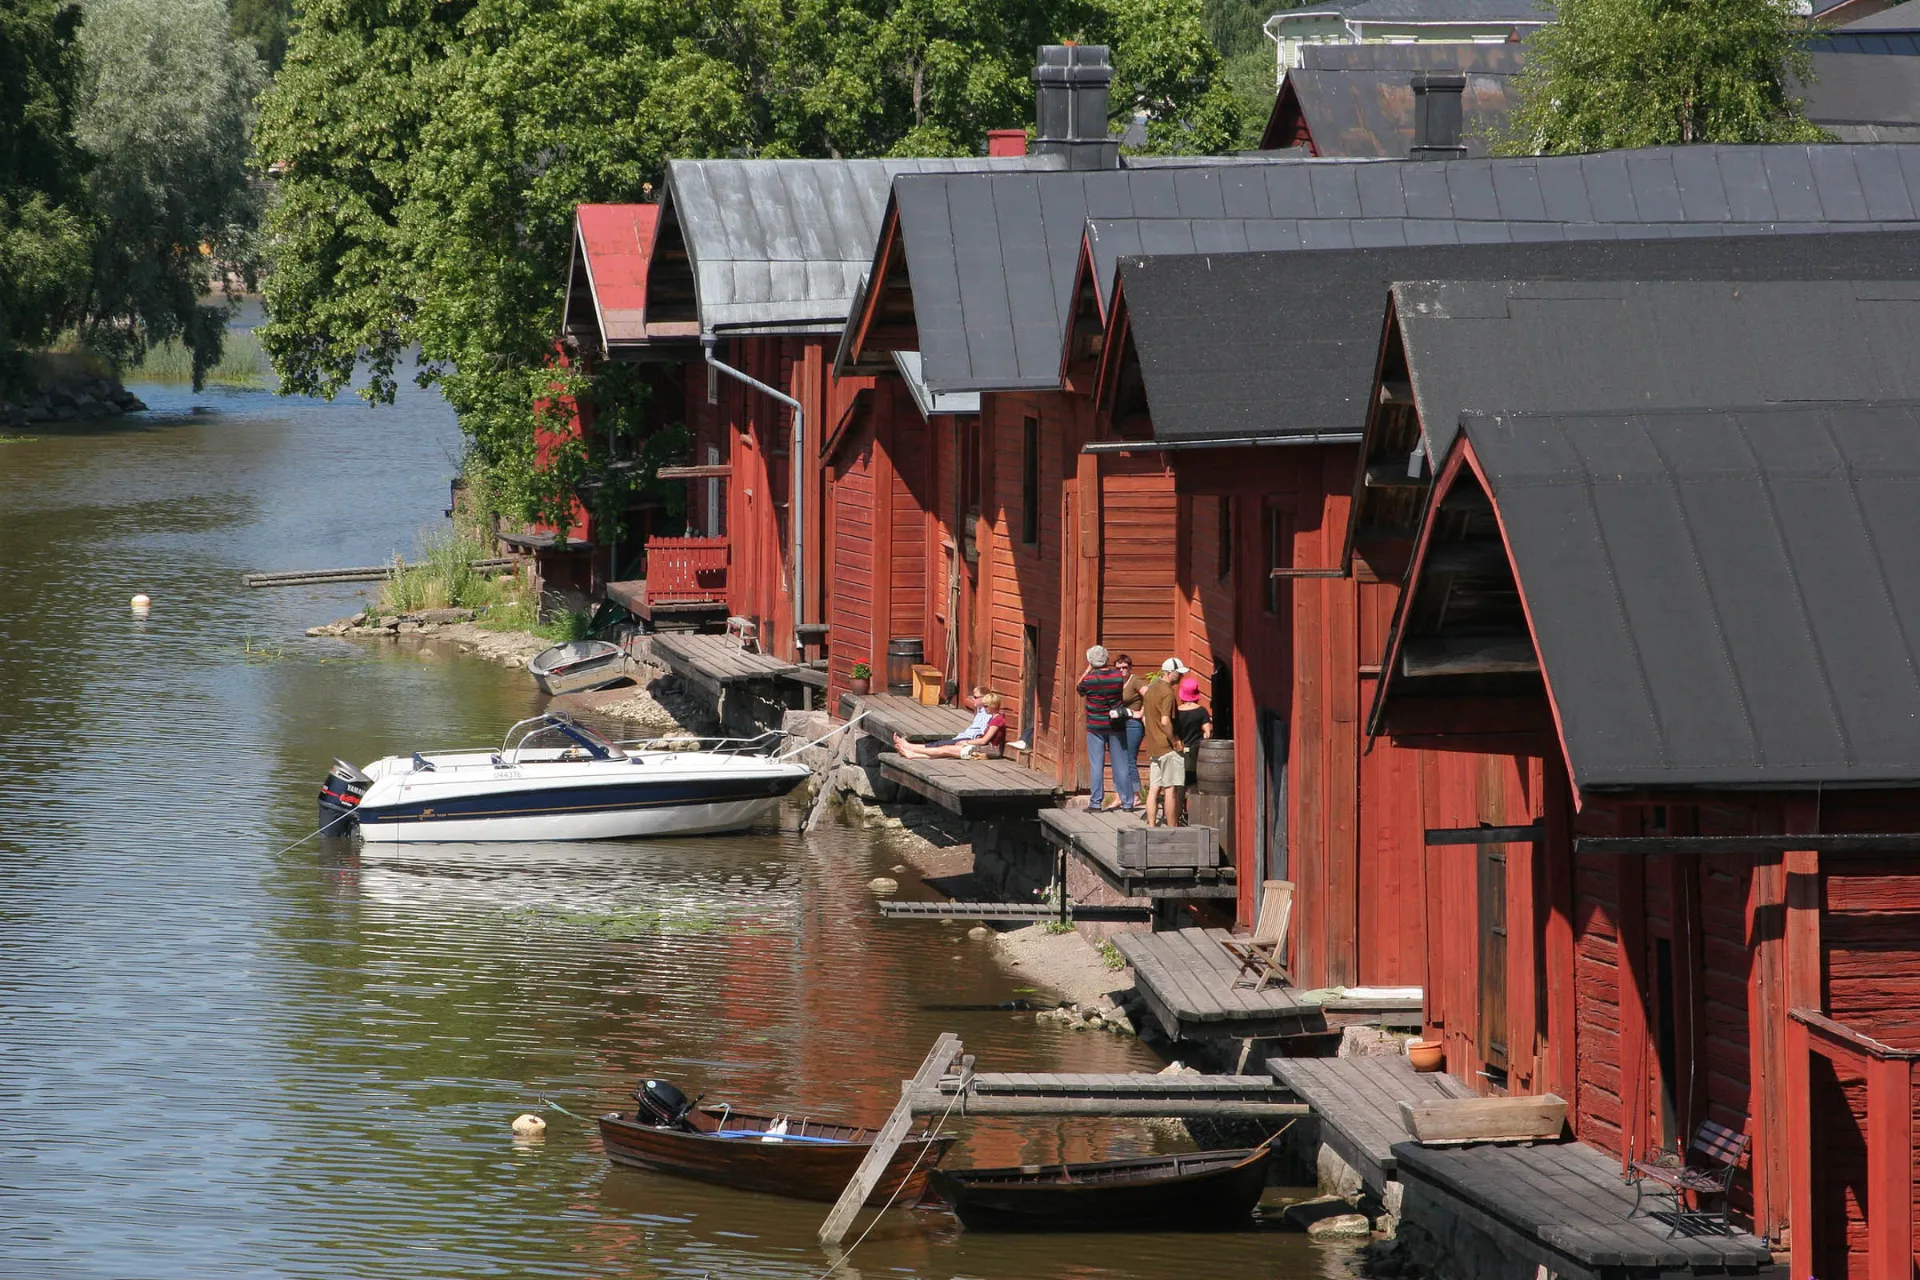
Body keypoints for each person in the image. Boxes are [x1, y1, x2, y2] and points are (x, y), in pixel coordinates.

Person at [1076, 645, 1130, 811]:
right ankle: (1127, 802)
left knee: (1096, 765)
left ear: (1091, 661)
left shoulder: (1088, 680)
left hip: (1095, 727)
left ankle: (1095, 802)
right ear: (1107, 659)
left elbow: (1079, 688)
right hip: (1116, 725)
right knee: (1121, 764)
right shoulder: (1117, 677)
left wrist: (1088, 669)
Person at [1142, 657, 1187, 828]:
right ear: (1169, 673)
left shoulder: (1151, 689)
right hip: (1167, 748)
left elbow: (1146, 719)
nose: (1181, 677)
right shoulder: (1167, 693)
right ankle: (1171, 828)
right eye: (1178, 673)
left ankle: (1152, 826)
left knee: (1154, 789)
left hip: (1153, 747)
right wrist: (1175, 741)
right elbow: (1165, 721)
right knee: (1170, 789)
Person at [893, 694, 1007, 759]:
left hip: (987, 751)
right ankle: (912, 753)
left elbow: (984, 741)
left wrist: (967, 742)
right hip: (982, 748)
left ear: (993, 706)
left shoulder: (997, 720)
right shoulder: (994, 718)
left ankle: (911, 748)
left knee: (944, 749)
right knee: (944, 751)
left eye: (986, 706)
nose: (984, 708)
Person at [1172, 675, 1212, 824]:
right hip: (1196, 752)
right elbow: (1207, 733)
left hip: (1179, 751)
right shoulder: (1201, 711)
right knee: (1194, 787)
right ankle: (1193, 817)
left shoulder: (1177, 711)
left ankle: (1175, 819)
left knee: (1179, 788)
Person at [1114, 654, 1145, 814]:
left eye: (1124, 667)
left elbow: (1149, 694)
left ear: (1130, 668)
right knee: (1119, 759)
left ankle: (1135, 794)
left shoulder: (1135, 681)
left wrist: (1141, 712)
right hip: (1119, 723)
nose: (1121, 671)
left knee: (1129, 759)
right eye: (1118, 668)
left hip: (1133, 724)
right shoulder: (1116, 681)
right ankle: (1120, 795)